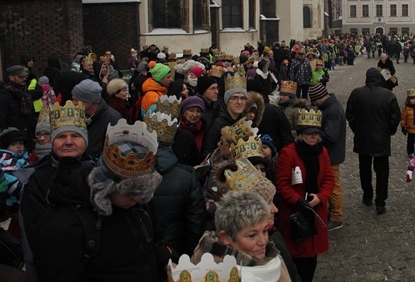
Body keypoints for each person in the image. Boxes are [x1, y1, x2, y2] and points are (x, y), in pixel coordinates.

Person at [33, 118, 171, 281]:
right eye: (130, 191)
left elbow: (156, 240)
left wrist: (170, 265)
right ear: (107, 185)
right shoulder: (67, 226)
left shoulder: (139, 203)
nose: (137, 197)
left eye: (143, 191)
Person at [18, 100, 93, 281]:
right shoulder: (37, 181)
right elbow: (31, 237)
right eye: (61, 137)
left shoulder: (99, 173)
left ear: (85, 139)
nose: (68, 142)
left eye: (75, 135)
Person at [276, 108, 334, 282]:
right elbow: (282, 184)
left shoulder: (322, 152)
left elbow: (329, 179)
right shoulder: (289, 153)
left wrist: (321, 197)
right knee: (297, 259)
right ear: (301, 134)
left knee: (312, 259)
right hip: (296, 213)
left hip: (315, 211)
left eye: (316, 133)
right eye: (310, 134)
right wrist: (298, 201)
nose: (314, 137)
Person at [194, 190, 292, 281]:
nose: (263, 242)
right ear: (225, 237)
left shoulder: (274, 259)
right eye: (252, 235)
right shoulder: (211, 274)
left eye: (264, 231)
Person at [146, 110, 206, 256]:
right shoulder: (187, 175)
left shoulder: (131, 173)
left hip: (142, 249)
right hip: (175, 250)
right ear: (171, 143)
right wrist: (188, 253)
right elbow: (196, 221)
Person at [346, 68, 400, 215]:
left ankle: (367, 195)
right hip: (381, 139)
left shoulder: (357, 93)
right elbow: (395, 118)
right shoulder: (388, 95)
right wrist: (389, 131)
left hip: (363, 138)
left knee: (364, 169)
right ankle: (380, 202)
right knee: (382, 171)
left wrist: (356, 128)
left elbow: (349, 114)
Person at [309, 84, 346, 231]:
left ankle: (337, 217)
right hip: (330, 153)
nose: (315, 104)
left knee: (334, 186)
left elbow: (331, 136)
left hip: (332, 154)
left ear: (320, 98)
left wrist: (314, 134)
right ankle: (332, 212)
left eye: (315, 100)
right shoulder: (330, 107)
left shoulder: (332, 111)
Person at [71, 79, 121, 158]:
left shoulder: (113, 119)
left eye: (75, 100)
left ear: (89, 101)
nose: (73, 103)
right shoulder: (80, 115)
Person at [0, 65, 35, 137]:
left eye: (25, 76)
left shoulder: (25, 93)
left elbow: (31, 114)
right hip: (13, 137)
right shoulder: (4, 96)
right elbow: (2, 119)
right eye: (21, 77)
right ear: (11, 77)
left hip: (27, 134)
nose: (25, 78)